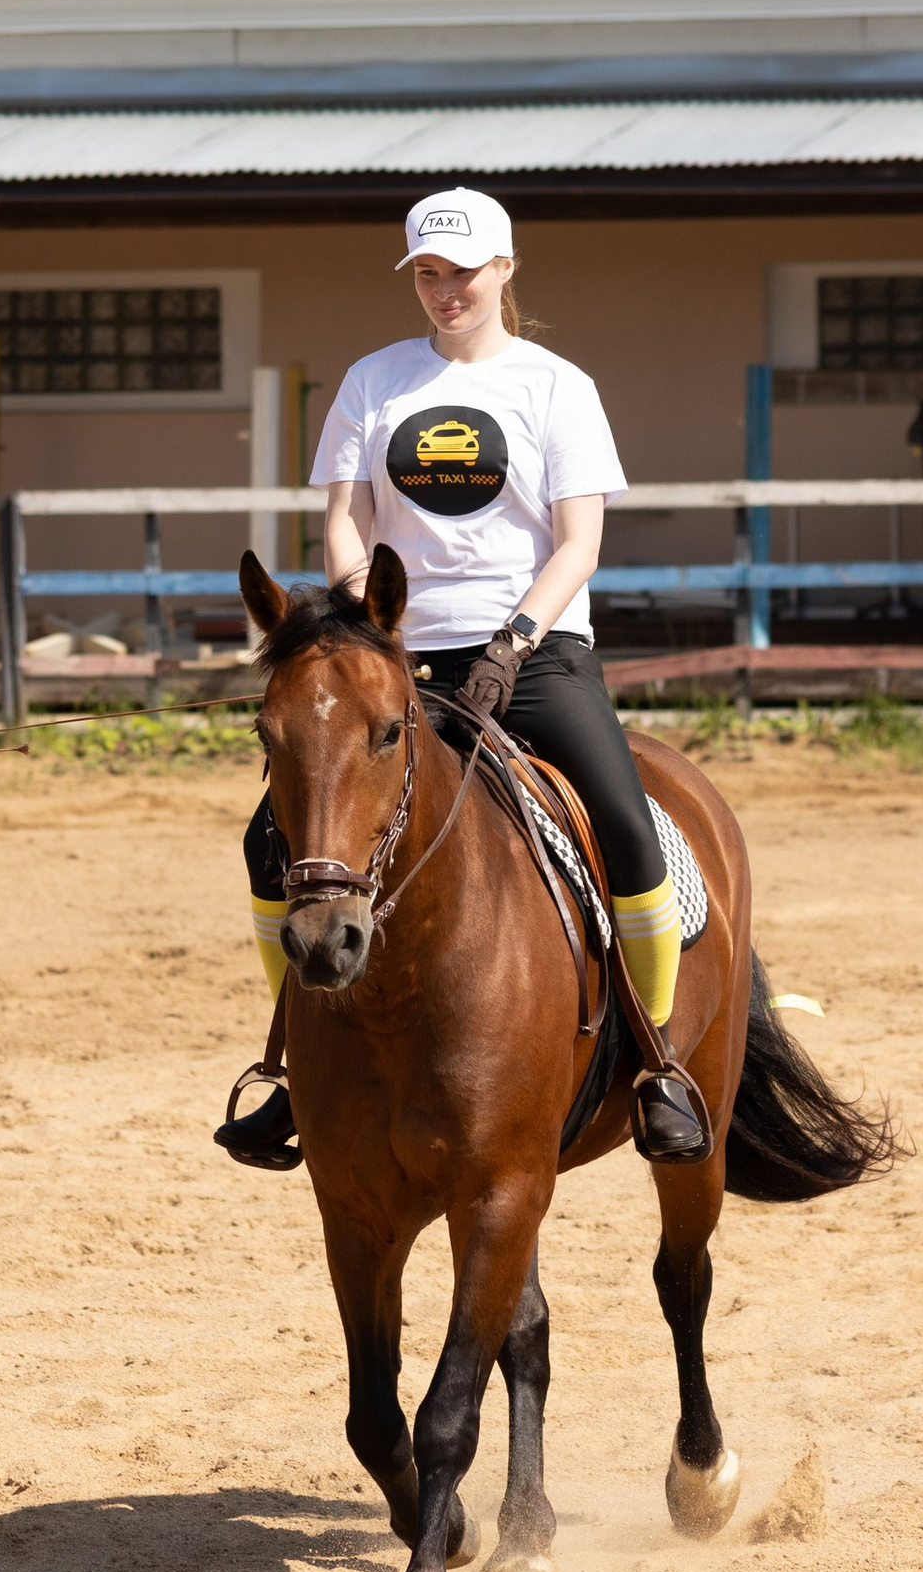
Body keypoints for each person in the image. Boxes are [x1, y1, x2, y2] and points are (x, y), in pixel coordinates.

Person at [216, 184, 707, 1169]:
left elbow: (579, 543)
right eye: (429, 274)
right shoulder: (373, 381)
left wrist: (511, 645)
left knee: (622, 823)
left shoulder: (554, 386)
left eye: (464, 272)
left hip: (535, 654)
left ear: (505, 270)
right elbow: (346, 520)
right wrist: (365, 630)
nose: (446, 291)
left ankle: (654, 1064)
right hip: (398, 659)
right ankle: (290, 1068)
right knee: (275, 837)